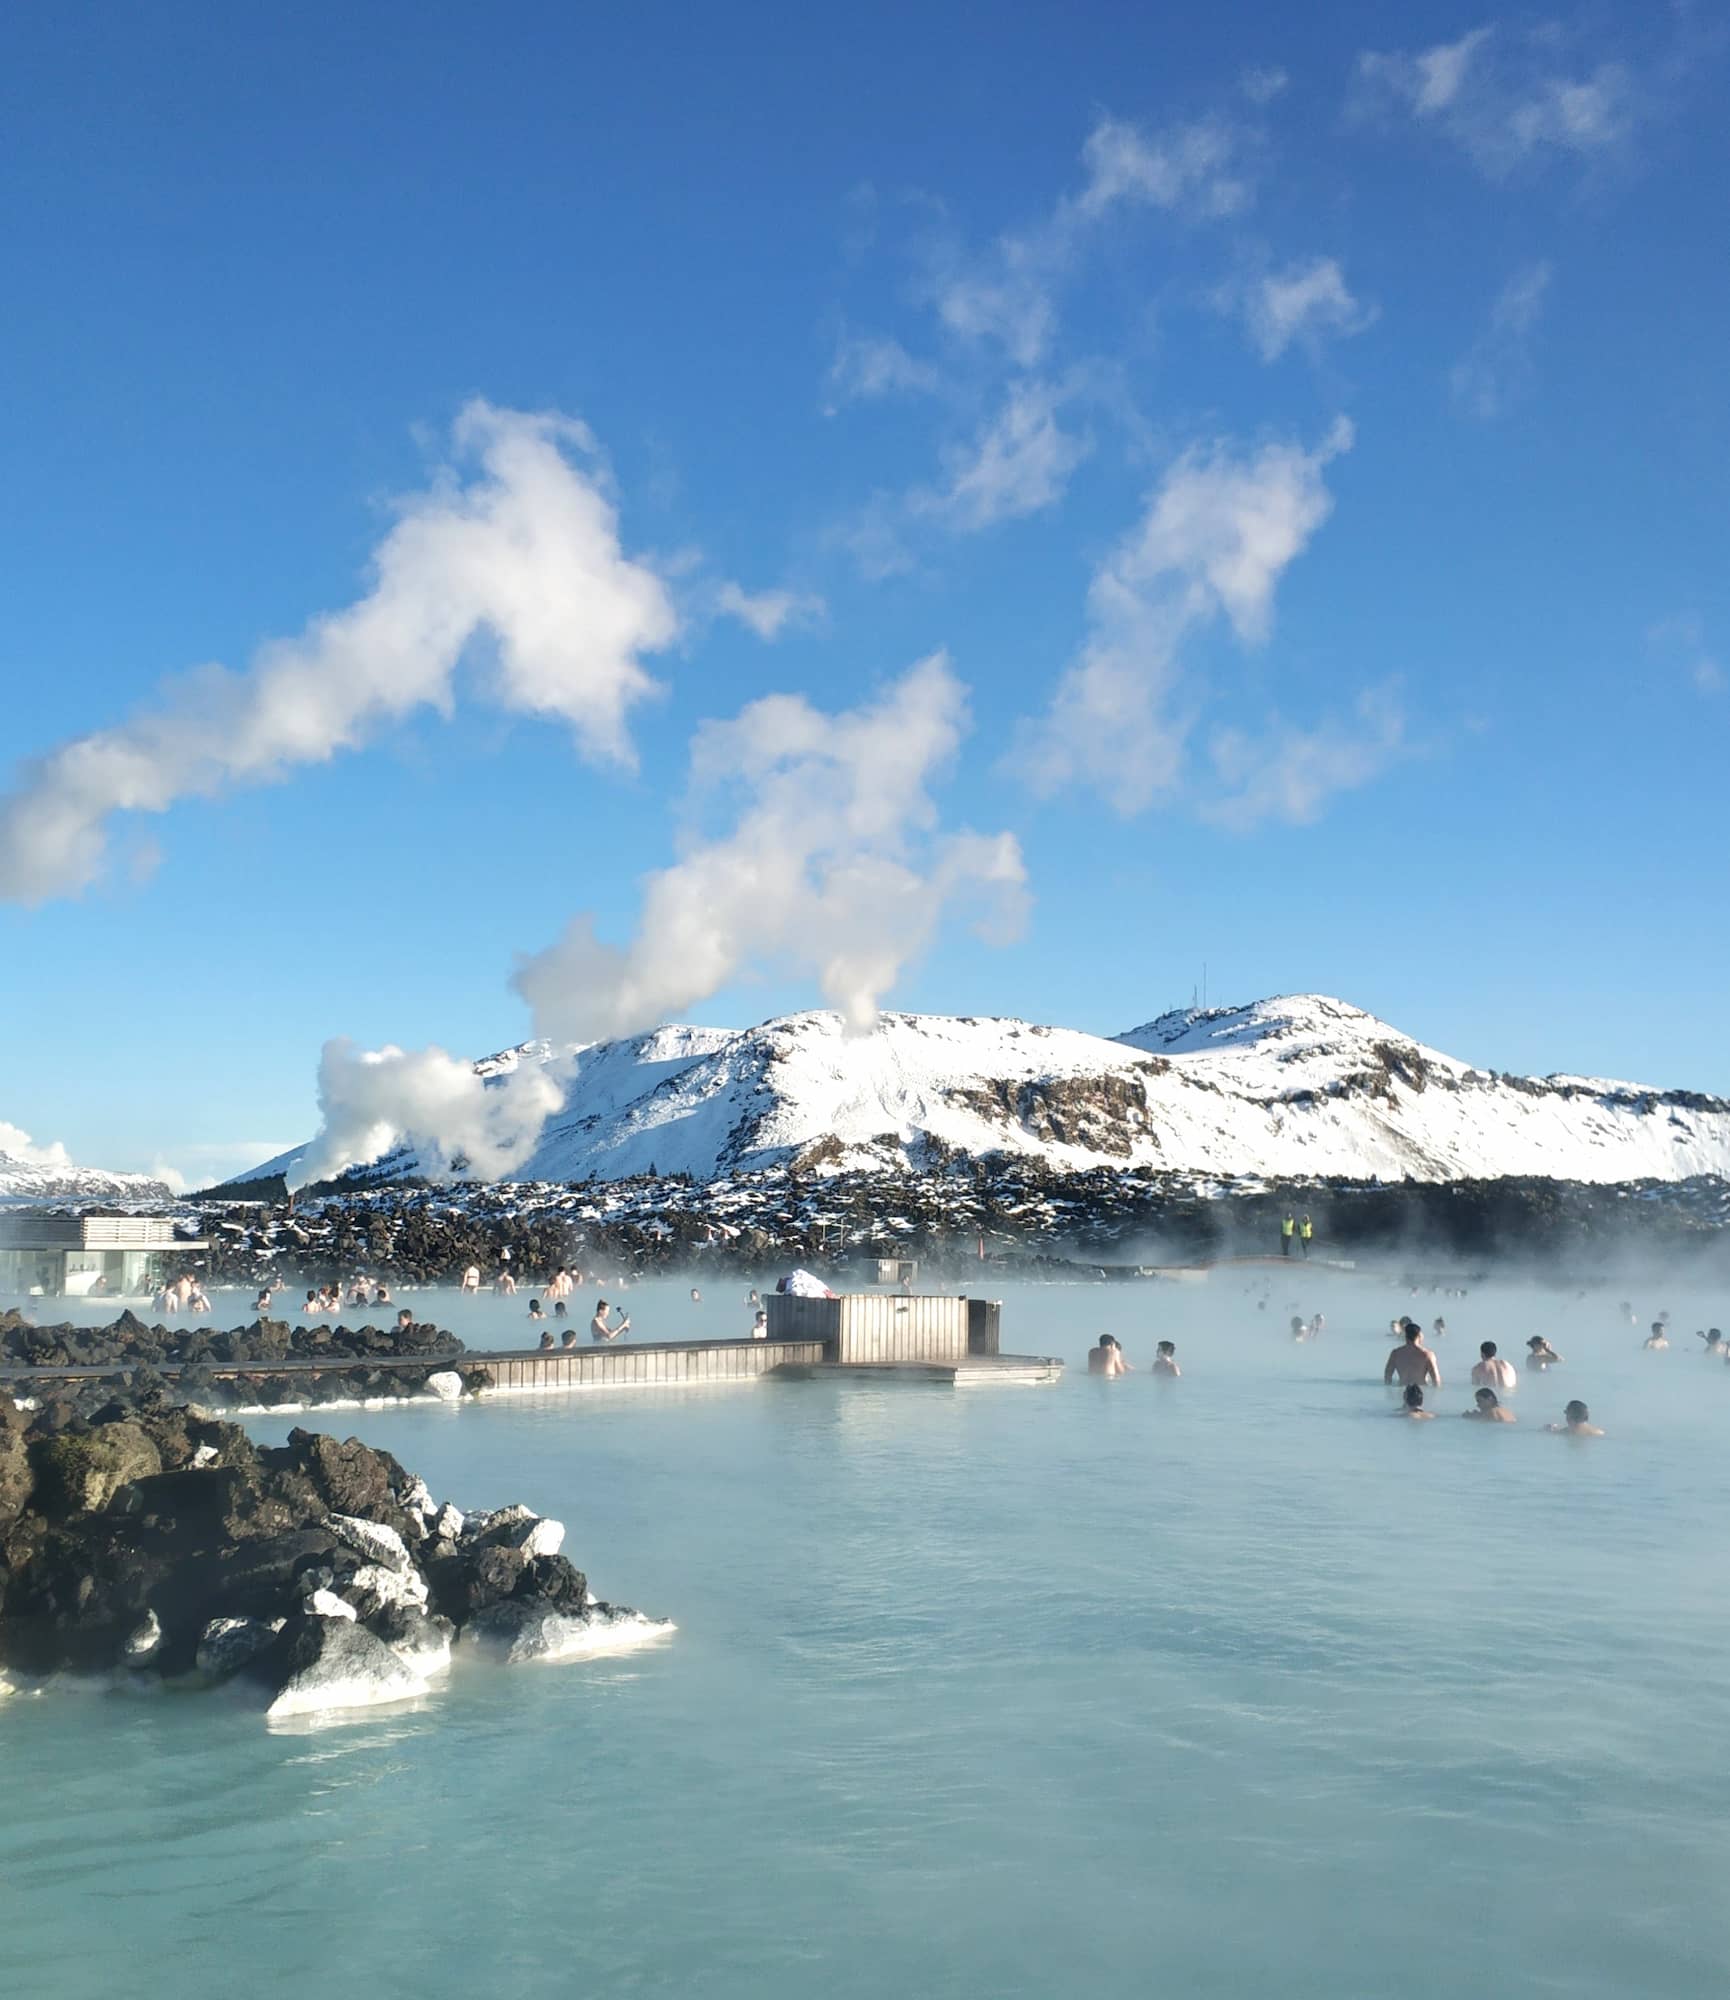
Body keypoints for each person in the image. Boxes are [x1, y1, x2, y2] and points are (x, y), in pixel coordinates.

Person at [1384, 1322, 1441, 1389]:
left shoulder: (1395, 1354)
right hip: (1420, 1390)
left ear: (1405, 1336)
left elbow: (1387, 1376)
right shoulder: (1427, 1355)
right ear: (1419, 1336)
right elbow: (1436, 1380)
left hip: (1402, 1390)